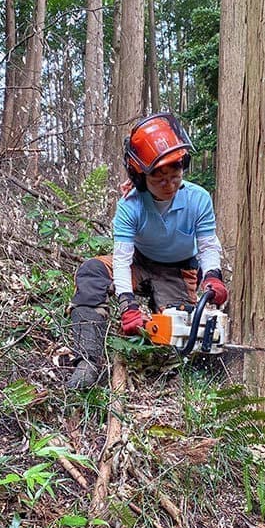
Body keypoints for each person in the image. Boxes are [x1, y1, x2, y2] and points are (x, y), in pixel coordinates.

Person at [66, 113, 228, 390]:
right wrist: (127, 304)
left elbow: (208, 244)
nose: (169, 185)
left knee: (180, 331)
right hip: (139, 263)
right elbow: (121, 259)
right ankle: (89, 360)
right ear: (141, 177)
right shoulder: (131, 205)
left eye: (174, 175)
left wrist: (212, 275)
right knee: (92, 272)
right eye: (159, 178)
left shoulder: (198, 199)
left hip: (178, 269)